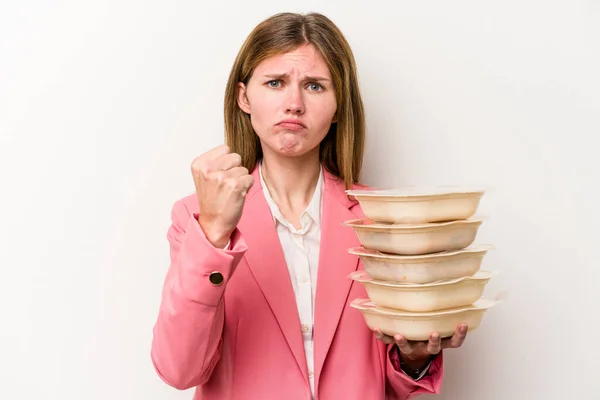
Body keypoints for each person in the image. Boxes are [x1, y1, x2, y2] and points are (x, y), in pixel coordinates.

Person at [151, 11, 468, 400]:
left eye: (315, 86)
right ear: (244, 97)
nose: (294, 103)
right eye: (275, 82)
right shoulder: (194, 220)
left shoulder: (382, 220)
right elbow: (180, 369)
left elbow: (389, 379)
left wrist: (414, 357)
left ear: (338, 108)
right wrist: (215, 234)